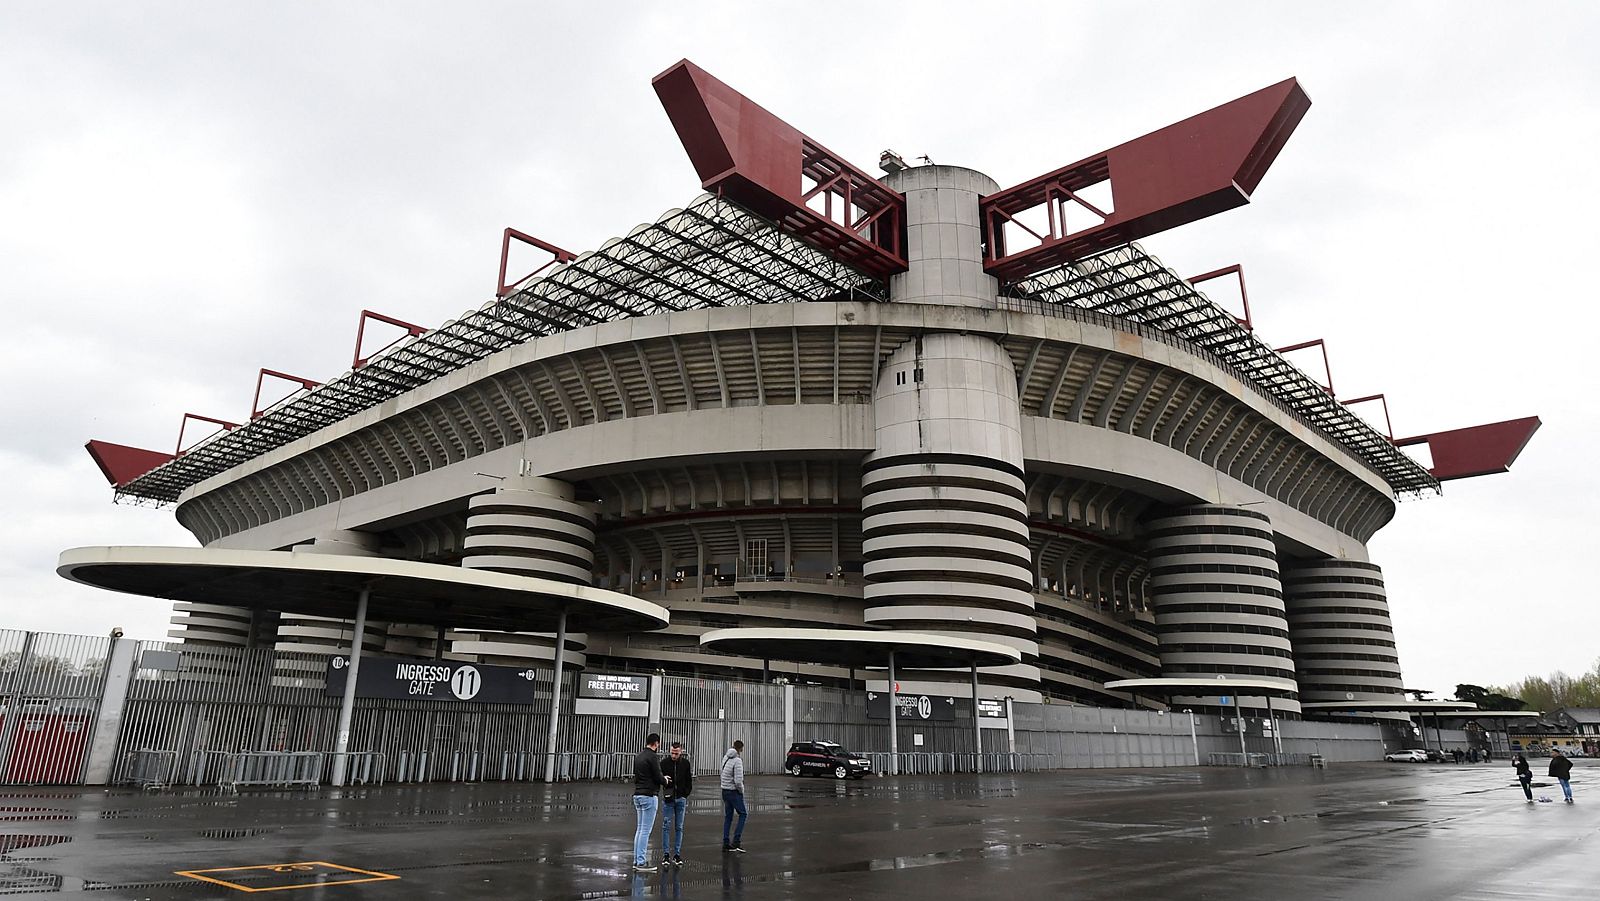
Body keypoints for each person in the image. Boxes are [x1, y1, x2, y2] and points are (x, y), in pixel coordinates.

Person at [632, 732, 669, 871]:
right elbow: (657, 776)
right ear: (656, 743)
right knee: (645, 831)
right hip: (649, 795)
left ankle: (637, 860)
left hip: (638, 795)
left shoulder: (639, 756)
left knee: (640, 829)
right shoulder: (653, 757)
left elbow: (637, 777)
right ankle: (641, 862)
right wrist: (665, 780)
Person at [660, 741, 694, 866]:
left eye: (676, 753)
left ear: (681, 752)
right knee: (666, 826)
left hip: (680, 798)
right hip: (668, 799)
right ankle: (666, 854)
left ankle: (677, 854)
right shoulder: (664, 763)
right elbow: (659, 778)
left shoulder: (685, 764)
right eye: (672, 753)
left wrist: (685, 793)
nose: (674, 755)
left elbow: (688, 780)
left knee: (679, 827)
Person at [720, 739, 747, 853]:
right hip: (733, 792)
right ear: (741, 749)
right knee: (743, 814)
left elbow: (721, 772)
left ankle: (726, 842)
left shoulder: (725, 758)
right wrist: (742, 791)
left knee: (728, 817)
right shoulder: (737, 761)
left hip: (724, 790)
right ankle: (736, 841)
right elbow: (738, 781)